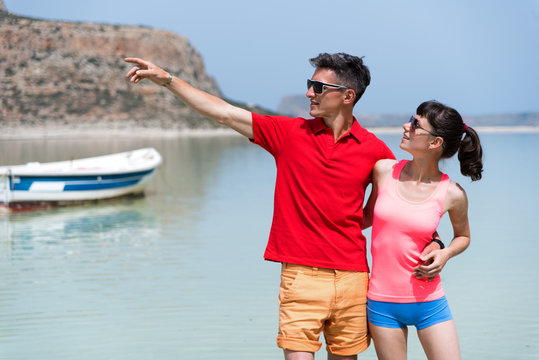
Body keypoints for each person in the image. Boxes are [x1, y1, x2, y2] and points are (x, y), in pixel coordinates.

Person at [124, 53, 440, 360]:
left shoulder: (374, 150)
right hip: (300, 275)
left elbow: (399, 206)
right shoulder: (288, 134)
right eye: (309, 84)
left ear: (347, 95)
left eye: (318, 87)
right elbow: (224, 113)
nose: (308, 93)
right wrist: (167, 80)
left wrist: (436, 241)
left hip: (354, 278)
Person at [362, 100, 483, 360]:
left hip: (430, 302)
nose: (406, 125)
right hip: (382, 304)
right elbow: (365, 217)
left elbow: (463, 237)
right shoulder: (383, 171)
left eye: (416, 124)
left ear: (435, 143)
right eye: (411, 118)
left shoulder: (452, 193)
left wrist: (445, 252)